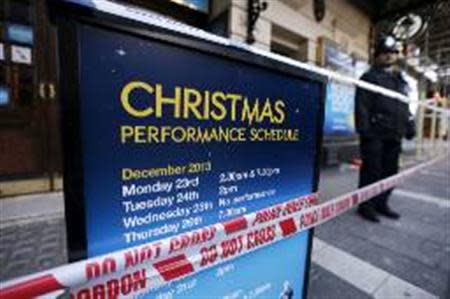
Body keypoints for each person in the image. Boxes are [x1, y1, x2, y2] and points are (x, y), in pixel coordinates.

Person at [355, 35, 415, 223]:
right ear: (377, 55)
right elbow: (361, 105)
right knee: (372, 171)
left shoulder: (400, 80)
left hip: (394, 134)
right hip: (375, 134)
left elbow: (406, 105)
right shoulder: (369, 77)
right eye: (385, 52)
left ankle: (381, 203)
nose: (389, 56)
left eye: (392, 52)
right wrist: (365, 131)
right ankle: (366, 206)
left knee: (390, 172)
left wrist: (410, 124)